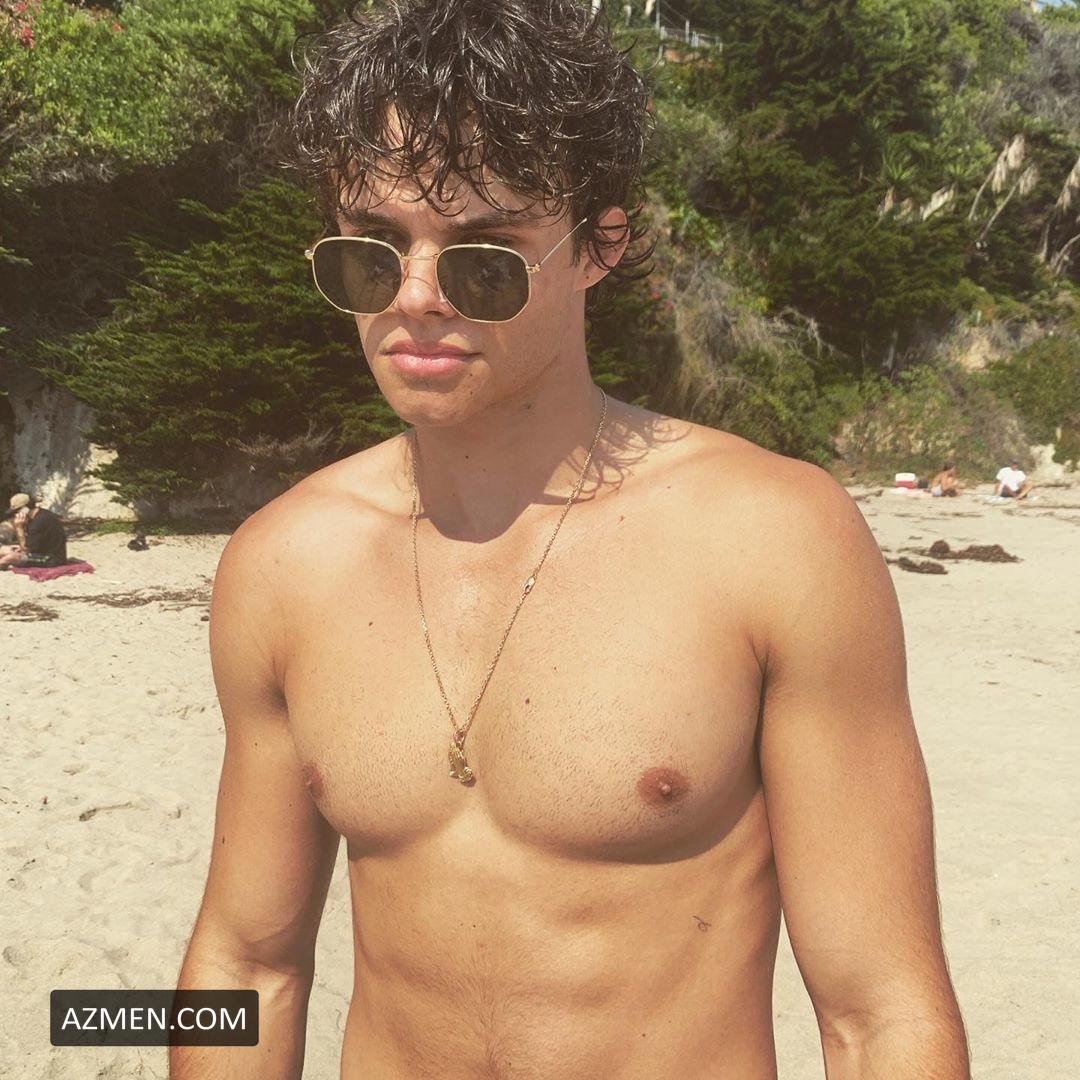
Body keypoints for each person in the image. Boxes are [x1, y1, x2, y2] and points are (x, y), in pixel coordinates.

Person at [172, 3, 969, 1077]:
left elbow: (881, 1011)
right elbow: (246, 965)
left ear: (600, 245)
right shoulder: (282, 565)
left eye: (484, 259)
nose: (416, 299)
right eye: (371, 254)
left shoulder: (773, 541)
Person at [0, 493, 68, 569]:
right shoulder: (39, 515)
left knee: (11, 557)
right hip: (40, 551)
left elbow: (27, 551)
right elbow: (31, 544)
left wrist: (19, 528)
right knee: (4, 550)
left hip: (51, 559)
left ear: (25, 509)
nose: (15, 515)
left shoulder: (38, 522)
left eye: (16, 512)